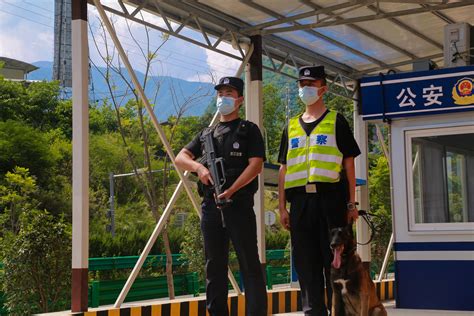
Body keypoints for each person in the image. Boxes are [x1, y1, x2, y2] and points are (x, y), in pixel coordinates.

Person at [175, 76, 267, 316]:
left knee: (249, 264)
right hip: (211, 207)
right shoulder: (207, 134)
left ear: (240, 100)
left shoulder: (249, 130)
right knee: (214, 266)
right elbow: (180, 157)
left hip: (238, 205)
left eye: (229, 93)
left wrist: (233, 189)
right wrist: (199, 168)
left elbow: (255, 165)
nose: (223, 97)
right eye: (220, 93)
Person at [277, 66, 361, 315]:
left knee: (334, 263)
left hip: (331, 201)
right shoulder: (291, 126)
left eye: (311, 84)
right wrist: (282, 207)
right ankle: (313, 312)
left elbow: (348, 163)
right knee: (306, 262)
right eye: (302, 85)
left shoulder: (336, 120)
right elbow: (284, 168)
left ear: (323, 88)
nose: (305, 89)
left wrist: (352, 203)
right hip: (300, 203)